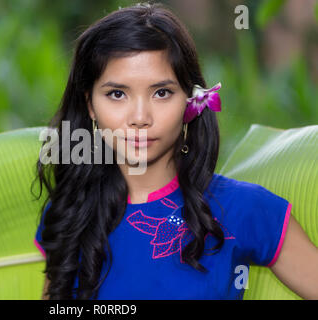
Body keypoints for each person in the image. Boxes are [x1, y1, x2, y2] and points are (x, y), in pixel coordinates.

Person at [33, 2, 318, 300]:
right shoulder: (69, 213)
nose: (140, 117)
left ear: (191, 100)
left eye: (161, 93)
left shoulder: (244, 208)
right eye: (117, 94)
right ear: (90, 105)